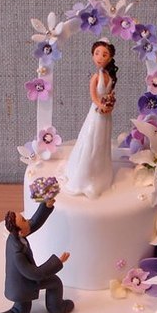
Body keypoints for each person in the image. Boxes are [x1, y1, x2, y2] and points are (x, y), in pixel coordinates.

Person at [0, 200, 74, 313]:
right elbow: (35, 274)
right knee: (20, 312)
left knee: (50, 285)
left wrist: (46, 206)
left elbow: (34, 223)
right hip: (23, 285)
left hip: (22, 281)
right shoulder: (18, 254)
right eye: (24, 220)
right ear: (20, 231)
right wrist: (57, 262)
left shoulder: (16, 236)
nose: (28, 221)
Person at [64, 39, 118, 199]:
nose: (100, 57)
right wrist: (101, 105)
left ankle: (100, 174)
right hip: (96, 113)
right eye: (97, 53)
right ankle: (84, 175)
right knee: (91, 139)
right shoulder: (96, 77)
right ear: (92, 55)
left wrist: (110, 105)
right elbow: (94, 96)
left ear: (110, 57)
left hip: (106, 114)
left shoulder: (110, 76)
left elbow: (110, 94)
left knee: (102, 141)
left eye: (104, 54)